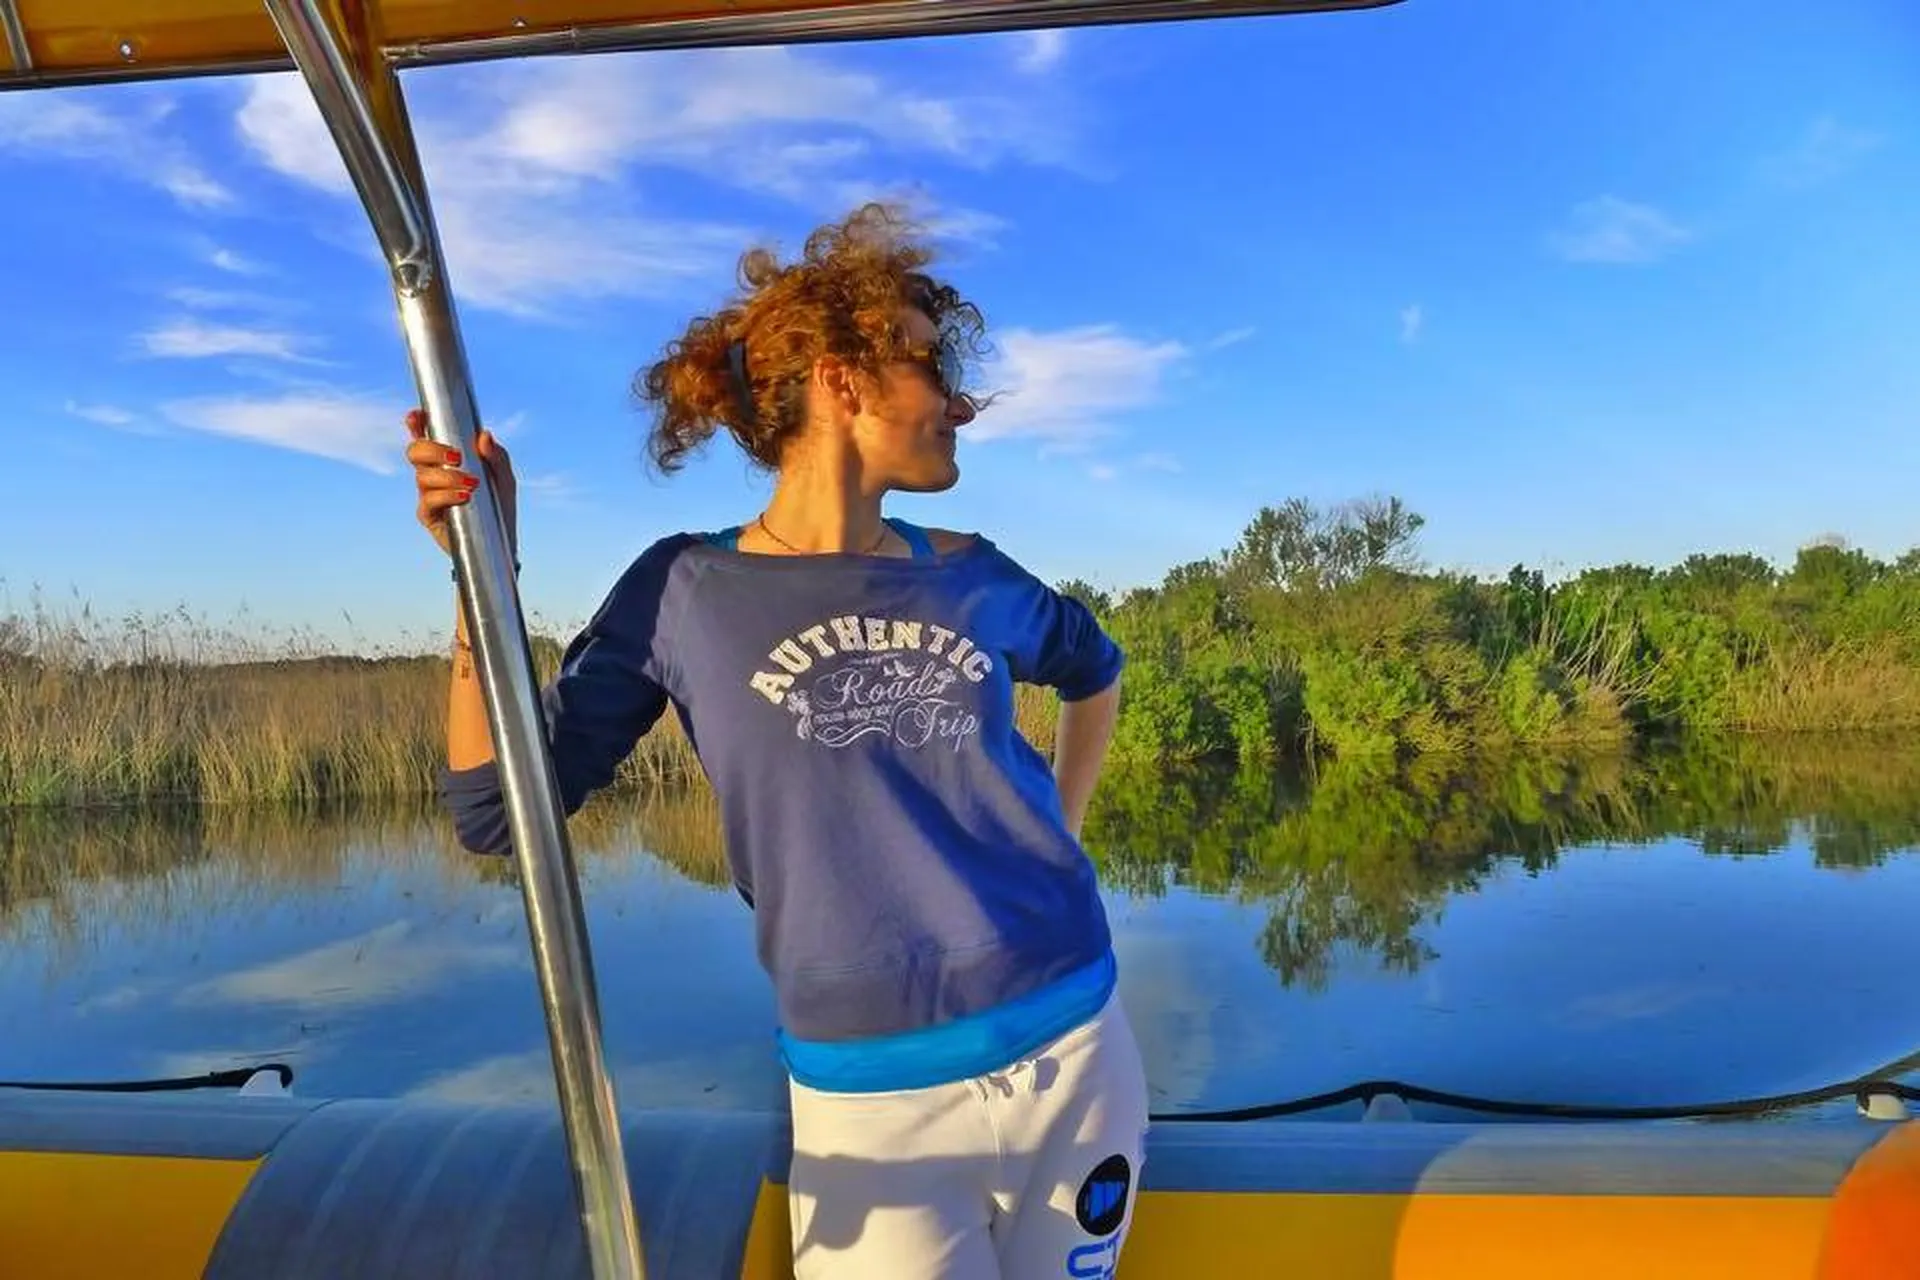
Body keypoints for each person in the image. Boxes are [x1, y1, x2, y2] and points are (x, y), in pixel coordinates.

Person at [409, 204, 1146, 1279]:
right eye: (931, 369)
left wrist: (1067, 842)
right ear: (845, 382)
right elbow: (491, 808)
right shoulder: (685, 590)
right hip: (872, 1104)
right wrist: (485, 569)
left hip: (1080, 1047)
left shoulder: (974, 573)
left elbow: (1098, 669)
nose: (961, 403)